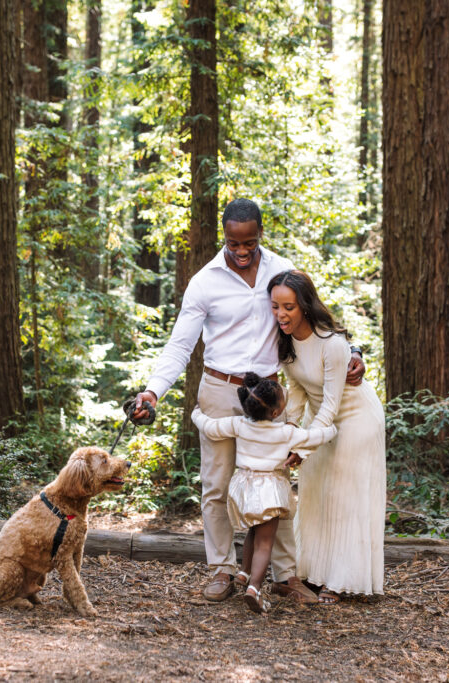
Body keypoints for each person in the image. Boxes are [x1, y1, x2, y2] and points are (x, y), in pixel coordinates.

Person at [131, 198, 365, 604]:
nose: (241, 252)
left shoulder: (280, 269)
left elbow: (313, 316)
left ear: (260, 234)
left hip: (273, 394)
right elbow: (180, 346)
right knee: (216, 485)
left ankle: (285, 576)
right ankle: (222, 569)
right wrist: (153, 391)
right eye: (233, 244)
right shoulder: (204, 282)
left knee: (277, 483)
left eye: (249, 244)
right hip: (221, 388)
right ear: (224, 236)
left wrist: (355, 351)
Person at [268, 269, 386, 603]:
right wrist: (288, 434)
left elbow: (332, 405)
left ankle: (342, 580)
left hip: (355, 418)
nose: (281, 314)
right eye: (275, 307)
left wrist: (302, 448)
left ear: (304, 305)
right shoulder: (285, 341)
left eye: (288, 307)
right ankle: (314, 573)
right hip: (317, 420)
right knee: (316, 492)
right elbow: (297, 392)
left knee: (344, 496)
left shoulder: (331, 344)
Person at [191, 373, 337, 613]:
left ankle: (242, 573)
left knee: (253, 531)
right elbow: (316, 436)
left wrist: (196, 413)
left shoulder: (239, 424)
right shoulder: (285, 432)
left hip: (244, 489)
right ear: (277, 412)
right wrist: (332, 428)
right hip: (269, 490)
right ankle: (255, 589)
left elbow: (211, 428)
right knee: (265, 542)